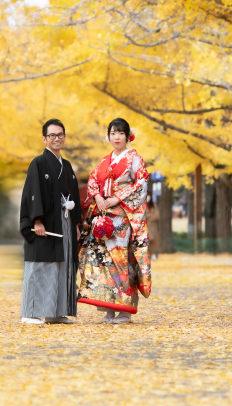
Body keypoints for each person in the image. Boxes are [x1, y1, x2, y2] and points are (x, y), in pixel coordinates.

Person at [78, 117, 151, 324]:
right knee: (103, 261)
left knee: (121, 260)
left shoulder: (134, 158)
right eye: (113, 133)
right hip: (103, 216)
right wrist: (99, 198)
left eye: (120, 133)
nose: (116, 137)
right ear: (108, 136)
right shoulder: (104, 160)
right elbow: (93, 180)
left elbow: (141, 183)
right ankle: (110, 309)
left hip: (122, 217)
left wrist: (117, 198)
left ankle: (125, 310)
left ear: (128, 136)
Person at [19, 119, 82, 325]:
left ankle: (56, 312)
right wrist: (36, 220)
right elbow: (32, 193)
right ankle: (30, 312)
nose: (57, 138)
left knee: (62, 264)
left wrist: (76, 224)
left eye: (60, 134)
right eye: (52, 135)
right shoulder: (39, 162)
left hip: (64, 221)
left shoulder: (67, 165)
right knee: (42, 264)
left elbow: (74, 196)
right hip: (45, 223)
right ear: (44, 138)